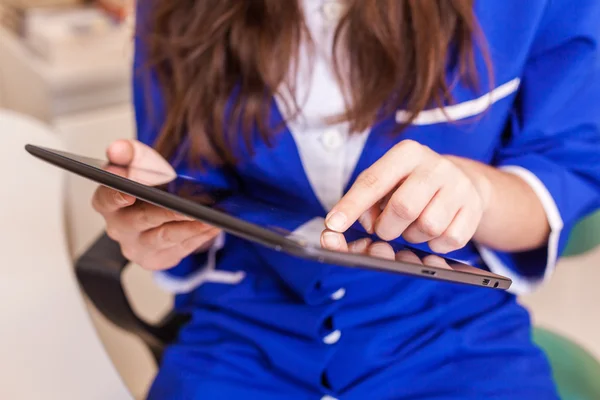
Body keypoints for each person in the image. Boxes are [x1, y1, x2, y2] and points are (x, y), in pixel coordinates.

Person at [92, 0, 600, 398]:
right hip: (242, 333)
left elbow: (561, 171)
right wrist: (158, 232)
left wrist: (477, 191)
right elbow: (189, 186)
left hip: (450, 333)